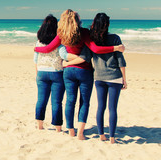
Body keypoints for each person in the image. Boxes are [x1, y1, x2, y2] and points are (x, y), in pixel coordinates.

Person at [34, 9, 125, 140]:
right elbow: (96, 49)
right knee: (84, 102)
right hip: (84, 71)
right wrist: (115, 48)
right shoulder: (84, 32)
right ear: (77, 20)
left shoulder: (61, 34)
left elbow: (48, 48)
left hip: (68, 72)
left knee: (70, 101)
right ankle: (81, 133)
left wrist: (36, 49)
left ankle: (71, 130)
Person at [63, 13, 127, 144]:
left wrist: (67, 62)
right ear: (107, 25)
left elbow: (84, 54)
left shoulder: (91, 38)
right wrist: (124, 79)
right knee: (111, 108)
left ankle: (99, 134)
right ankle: (111, 138)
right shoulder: (114, 38)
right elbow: (120, 60)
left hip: (98, 77)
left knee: (97, 107)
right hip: (112, 76)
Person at [33, 14, 68, 132]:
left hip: (41, 73)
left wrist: (37, 73)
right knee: (56, 102)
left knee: (41, 100)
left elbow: (35, 60)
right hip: (56, 73)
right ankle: (58, 127)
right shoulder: (59, 42)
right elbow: (64, 55)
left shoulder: (38, 42)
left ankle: (40, 125)